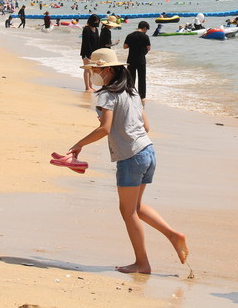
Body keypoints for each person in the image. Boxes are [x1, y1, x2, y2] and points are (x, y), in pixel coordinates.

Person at [66, 48, 188, 275]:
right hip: (148, 151)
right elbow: (147, 127)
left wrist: (78, 145)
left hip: (131, 158)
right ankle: (173, 235)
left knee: (128, 211)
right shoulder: (132, 92)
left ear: (108, 70)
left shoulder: (106, 95)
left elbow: (105, 129)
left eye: (95, 69)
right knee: (137, 207)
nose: (92, 72)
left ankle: (142, 263)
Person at [123, 21, 151, 99]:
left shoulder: (130, 35)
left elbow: (125, 46)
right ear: (145, 28)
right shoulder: (145, 36)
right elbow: (148, 48)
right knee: (142, 78)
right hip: (141, 59)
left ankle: (130, 94)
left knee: (131, 78)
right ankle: (142, 96)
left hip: (131, 59)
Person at [81, 15, 101, 92]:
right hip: (86, 52)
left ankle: (91, 86)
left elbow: (97, 41)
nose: (97, 23)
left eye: (98, 22)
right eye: (96, 22)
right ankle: (87, 87)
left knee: (92, 70)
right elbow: (86, 42)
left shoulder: (96, 29)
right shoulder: (86, 29)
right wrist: (90, 53)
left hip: (94, 52)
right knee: (87, 69)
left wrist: (97, 52)